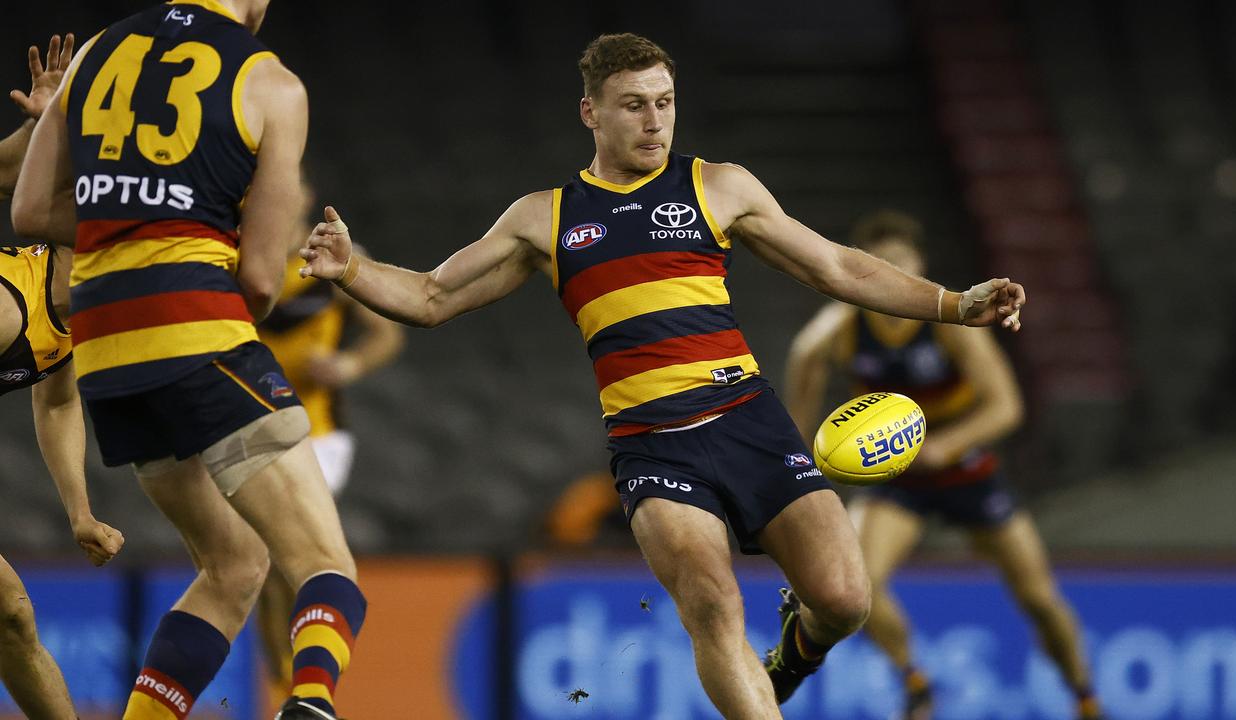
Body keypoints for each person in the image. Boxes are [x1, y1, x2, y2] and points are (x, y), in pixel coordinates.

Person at [299, 33, 1025, 717]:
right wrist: (351, 270)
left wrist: (956, 304)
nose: (654, 122)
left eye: (665, 102)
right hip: (654, 444)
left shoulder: (720, 187)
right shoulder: (543, 219)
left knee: (843, 600)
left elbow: (836, 265)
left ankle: (796, 650)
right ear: (591, 112)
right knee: (710, 603)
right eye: (634, 104)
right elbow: (429, 297)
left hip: (750, 420)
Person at [13, 2, 366, 718]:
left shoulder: (97, 53)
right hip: (197, 330)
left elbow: (28, 212)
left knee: (234, 566)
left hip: (104, 348)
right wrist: (193, 233)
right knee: (327, 567)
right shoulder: (271, 82)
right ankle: (311, 704)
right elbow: (264, 281)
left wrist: (132, 216)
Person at [785, 210, 1102, 720]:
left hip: (966, 470)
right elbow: (803, 360)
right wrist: (795, 460)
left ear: (920, 267)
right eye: (879, 264)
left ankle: (1085, 695)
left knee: (1039, 599)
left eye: (902, 264)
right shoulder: (843, 326)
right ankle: (915, 683)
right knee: (856, 586)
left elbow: (1006, 406)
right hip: (898, 477)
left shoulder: (950, 325)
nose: (892, 274)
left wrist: (943, 446)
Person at [0, 33, 124, 720]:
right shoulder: (9, 301)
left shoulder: (73, 323)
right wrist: (43, 130)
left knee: (11, 620)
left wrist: (79, 512)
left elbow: (56, 405)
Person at [256, 180, 404, 702]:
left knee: (286, 554)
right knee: (262, 564)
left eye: (293, 188)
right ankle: (286, 684)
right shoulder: (240, 257)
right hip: (251, 425)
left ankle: (299, 685)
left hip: (318, 434)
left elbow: (388, 331)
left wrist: (348, 364)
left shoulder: (331, 257)